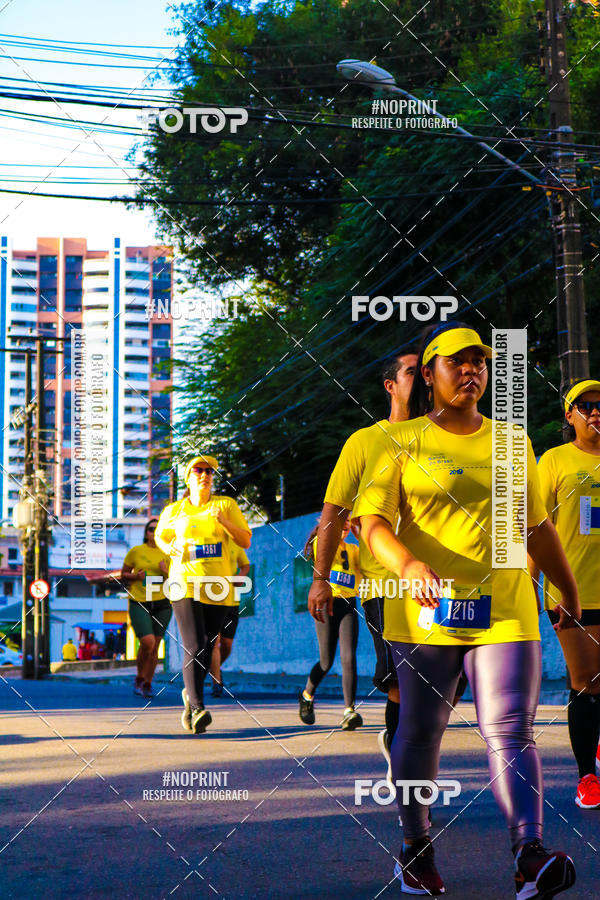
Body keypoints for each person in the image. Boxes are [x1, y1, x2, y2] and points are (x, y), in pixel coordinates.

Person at [354, 321, 580, 897]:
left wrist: (567, 589)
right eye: (457, 361)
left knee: (511, 730)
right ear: (428, 374)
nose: (472, 370)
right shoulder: (397, 443)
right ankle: (415, 848)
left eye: (480, 361)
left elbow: (537, 527)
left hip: (505, 607)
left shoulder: (510, 440)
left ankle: (528, 854)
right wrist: (406, 566)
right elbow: (372, 522)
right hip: (426, 611)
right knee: (421, 730)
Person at [308, 351, 417, 768]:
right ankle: (406, 761)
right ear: (390, 386)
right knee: (401, 682)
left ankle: (408, 746)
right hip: (383, 582)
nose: (422, 379)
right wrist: (321, 579)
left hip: (446, 582)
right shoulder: (365, 442)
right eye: (412, 373)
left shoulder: (449, 436)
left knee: (445, 684)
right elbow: (332, 514)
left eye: (425, 372)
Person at [532, 379, 600, 810]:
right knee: (587, 684)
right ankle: (587, 778)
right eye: (586, 405)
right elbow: (535, 529)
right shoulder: (555, 460)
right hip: (574, 591)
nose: (596, 411)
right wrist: (528, 586)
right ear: (569, 415)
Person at [155, 454, 251, 734]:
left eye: (209, 471)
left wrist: (223, 522)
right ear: (188, 477)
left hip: (218, 587)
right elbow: (161, 535)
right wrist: (168, 548)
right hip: (184, 583)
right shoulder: (175, 510)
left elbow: (245, 539)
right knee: (194, 644)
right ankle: (198, 708)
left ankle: (189, 696)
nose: (205, 474)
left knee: (209, 646)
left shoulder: (226, 505)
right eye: (199, 470)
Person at [300, 518, 362, 729]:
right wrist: (331, 528)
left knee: (349, 657)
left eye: (348, 520)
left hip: (348, 604)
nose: (345, 524)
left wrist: (359, 531)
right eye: (341, 519)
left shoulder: (354, 549)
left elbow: (371, 560)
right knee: (326, 662)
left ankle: (349, 711)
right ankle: (307, 694)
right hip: (326, 603)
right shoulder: (322, 541)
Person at [121, 518, 171, 699]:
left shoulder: (169, 553)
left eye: (157, 529)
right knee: (147, 642)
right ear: (146, 533)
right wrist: (135, 576)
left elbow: (177, 580)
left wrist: (166, 571)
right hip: (139, 602)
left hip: (162, 603)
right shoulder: (136, 551)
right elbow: (123, 574)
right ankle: (139, 677)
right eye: (150, 529)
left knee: (156, 645)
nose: (153, 532)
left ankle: (147, 683)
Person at [209, 544, 251, 697]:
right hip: (211, 600)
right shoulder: (210, 545)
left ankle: (213, 668)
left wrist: (241, 576)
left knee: (226, 645)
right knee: (215, 642)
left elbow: (245, 566)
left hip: (231, 602)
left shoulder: (235, 546)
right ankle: (217, 683)